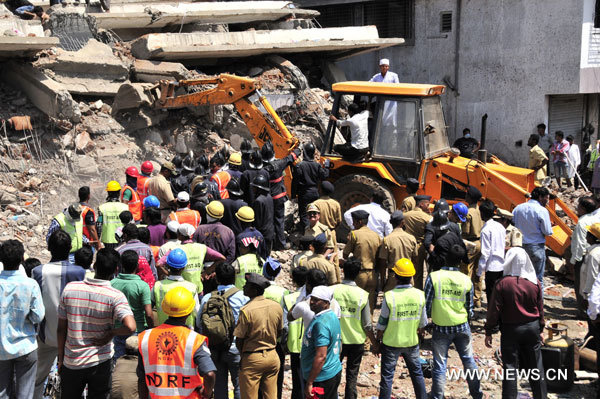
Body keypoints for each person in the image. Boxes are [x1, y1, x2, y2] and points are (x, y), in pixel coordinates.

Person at [57, 248, 136, 398]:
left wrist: (60, 359)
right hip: (100, 362)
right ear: (116, 270)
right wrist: (111, 333)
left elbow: (61, 329)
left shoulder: (70, 288)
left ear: (94, 265)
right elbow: (130, 326)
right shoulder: (115, 296)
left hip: (72, 360)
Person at [485, 247, 547, 399]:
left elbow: (494, 310)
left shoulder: (502, 284)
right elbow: (540, 308)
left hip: (510, 330)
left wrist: (489, 330)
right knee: (536, 367)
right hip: (532, 328)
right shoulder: (535, 283)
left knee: (510, 368)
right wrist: (541, 329)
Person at [32, 230, 85, 399]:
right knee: (74, 381)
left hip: (45, 336)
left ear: (49, 248)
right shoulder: (79, 273)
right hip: (72, 337)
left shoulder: (38, 272)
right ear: (70, 248)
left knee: (37, 380)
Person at [425, 244, 483, 399]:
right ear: (460, 262)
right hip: (462, 325)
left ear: (445, 258)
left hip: (441, 327)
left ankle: (437, 395)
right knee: (468, 360)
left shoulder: (434, 277)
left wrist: (429, 319)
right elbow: (469, 308)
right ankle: (477, 394)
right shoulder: (466, 280)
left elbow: (427, 304)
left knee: (440, 364)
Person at [138, 286, 217, 399]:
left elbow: (142, 379)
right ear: (189, 312)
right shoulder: (194, 340)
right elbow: (210, 374)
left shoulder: (146, 337)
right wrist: (206, 394)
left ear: (165, 308)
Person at [376, 258, 427, 399]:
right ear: (411, 277)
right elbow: (422, 323)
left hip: (391, 343)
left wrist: (378, 340)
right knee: (417, 374)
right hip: (411, 342)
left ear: (395, 277)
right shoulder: (419, 295)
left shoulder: (390, 296)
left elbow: (382, 323)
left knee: (387, 377)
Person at [0, 240, 45, 399]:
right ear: (21, 260)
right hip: (25, 346)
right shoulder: (30, 284)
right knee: (25, 394)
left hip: (1, 348)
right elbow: (38, 316)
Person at [197, 262, 249, 399]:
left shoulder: (208, 298)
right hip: (236, 348)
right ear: (234, 278)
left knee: (219, 386)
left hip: (215, 348)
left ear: (217, 279)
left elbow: (199, 323)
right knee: (239, 385)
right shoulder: (244, 297)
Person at [234, 273, 283, 399]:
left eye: (247, 285)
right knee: (271, 396)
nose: (244, 287)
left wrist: (242, 356)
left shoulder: (246, 310)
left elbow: (239, 338)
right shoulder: (276, 306)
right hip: (272, 355)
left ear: (254, 290)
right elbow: (280, 331)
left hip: (252, 357)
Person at [332, 257, 375, 399]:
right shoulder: (362, 295)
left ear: (343, 271)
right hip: (356, 341)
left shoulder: (332, 290)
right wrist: (375, 343)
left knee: (333, 372)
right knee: (352, 375)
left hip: (336, 340)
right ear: (357, 274)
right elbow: (367, 324)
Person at [111, 250, 154, 360]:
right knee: (138, 364)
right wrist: (151, 330)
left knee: (119, 363)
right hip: (138, 331)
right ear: (137, 265)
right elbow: (149, 314)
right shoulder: (142, 286)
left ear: (121, 265)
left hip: (118, 331)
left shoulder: (112, 284)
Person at [301, 286, 342, 399]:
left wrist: (310, 382)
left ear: (326, 303)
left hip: (321, 378)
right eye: (312, 298)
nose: (312, 302)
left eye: (316, 300)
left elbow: (321, 356)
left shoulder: (321, 323)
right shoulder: (331, 316)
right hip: (331, 372)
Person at [262, 141, 300, 250]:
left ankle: (268, 243)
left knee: (267, 220)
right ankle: (281, 244)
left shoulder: (261, 167)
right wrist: (297, 151)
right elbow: (289, 159)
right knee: (279, 220)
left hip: (266, 199)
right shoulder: (278, 164)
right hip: (278, 198)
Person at [343, 209, 382, 313]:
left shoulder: (354, 234)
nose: (352, 224)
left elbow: (345, 255)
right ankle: (368, 326)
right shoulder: (376, 236)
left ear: (359, 222)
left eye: (354, 221)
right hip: (373, 274)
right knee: (369, 305)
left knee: (355, 303)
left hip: (359, 273)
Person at [513, 187, 553, 288]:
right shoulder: (542, 210)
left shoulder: (518, 208)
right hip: (536, 247)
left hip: (519, 246)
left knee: (520, 277)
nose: (547, 201)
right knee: (537, 279)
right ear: (540, 197)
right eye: (546, 198)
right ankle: (537, 302)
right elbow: (547, 231)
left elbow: (512, 224)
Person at [153, 248, 200, 327]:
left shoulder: (158, 286)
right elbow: (196, 311)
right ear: (184, 267)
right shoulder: (192, 287)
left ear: (167, 265)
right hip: (186, 334)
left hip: (163, 333)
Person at [567, 197, 599, 312]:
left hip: (583, 257)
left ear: (583, 209)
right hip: (593, 253)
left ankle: (583, 311)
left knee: (581, 286)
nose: (577, 208)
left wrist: (573, 261)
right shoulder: (595, 218)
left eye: (579, 206)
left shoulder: (582, 222)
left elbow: (580, 244)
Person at [175, 223, 225, 294]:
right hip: (198, 290)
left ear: (180, 235)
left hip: (182, 292)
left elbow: (159, 264)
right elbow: (222, 258)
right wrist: (206, 272)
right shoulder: (201, 247)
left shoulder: (176, 249)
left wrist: (170, 275)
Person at [282, 266, 309, 399]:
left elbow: (285, 325)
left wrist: (284, 343)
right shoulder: (312, 299)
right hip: (309, 344)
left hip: (294, 344)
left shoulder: (288, 298)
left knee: (297, 381)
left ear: (293, 280)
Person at [292, 142, 329, 232]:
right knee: (314, 214)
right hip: (315, 193)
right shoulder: (317, 165)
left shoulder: (299, 166)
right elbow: (325, 175)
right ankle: (315, 232)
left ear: (304, 153)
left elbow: (295, 182)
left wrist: (293, 195)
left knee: (304, 215)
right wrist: (327, 166)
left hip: (304, 194)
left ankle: (307, 235)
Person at [377, 210, 417, 291]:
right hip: (408, 277)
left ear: (391, 223)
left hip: (394, 278)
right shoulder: (411, 238)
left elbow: (382, 263)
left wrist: (382, 281)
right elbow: (415, 259)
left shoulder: (387, 240)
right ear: (403, 223)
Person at [477, 200, 506, 303]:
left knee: (491, 295)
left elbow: (485, 253)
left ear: (483, 213)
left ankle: (492, 317)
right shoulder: (500, 227)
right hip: (501, 265)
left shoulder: (485, 230)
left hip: (492, 266)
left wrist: (480, 271)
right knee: (499, 294)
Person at [403, 195, 432, 290]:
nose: (428, 207)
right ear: (421, 204)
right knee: (423, 272)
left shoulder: (405, 216)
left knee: (410, 271)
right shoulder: (427, 218)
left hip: (408, 246)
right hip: (421, 247)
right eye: (427, 205)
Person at [462, 186, 484, 307]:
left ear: (470, 197)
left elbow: (465, 231)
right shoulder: (479, 210)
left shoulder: (468, 212)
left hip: (470, 243)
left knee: (466, 270)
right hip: (480, 242)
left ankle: (466, 298)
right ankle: (477, 298)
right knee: (478, 271)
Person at [98, 180, 130, 250]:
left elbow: (99, 226)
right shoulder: (125, 207)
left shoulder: (102, 208)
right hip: (122, 239)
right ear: (119, 193)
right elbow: (129, 225)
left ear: (108, 193)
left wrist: (97, 241)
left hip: (107, 241)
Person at [251, 174, 275, 255]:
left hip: (263, 233)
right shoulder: (269, 197)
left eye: (254, 187)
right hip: (270, 231)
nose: (253, 189)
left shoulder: (259, 200)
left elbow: (258, 220)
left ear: (259, 188)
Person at [579, 223, 600, 307]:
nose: (586, 236)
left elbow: (592, 276)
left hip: (594, 296)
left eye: (588, 234)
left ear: (592, 237)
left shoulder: (593, 254)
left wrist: (587, 297)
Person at [78, 186, 101, 250]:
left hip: (76, 241)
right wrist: (98, 244)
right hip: (87, 243)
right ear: (89, 196)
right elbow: (92, 230)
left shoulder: (74, 208)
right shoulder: (88, 211)